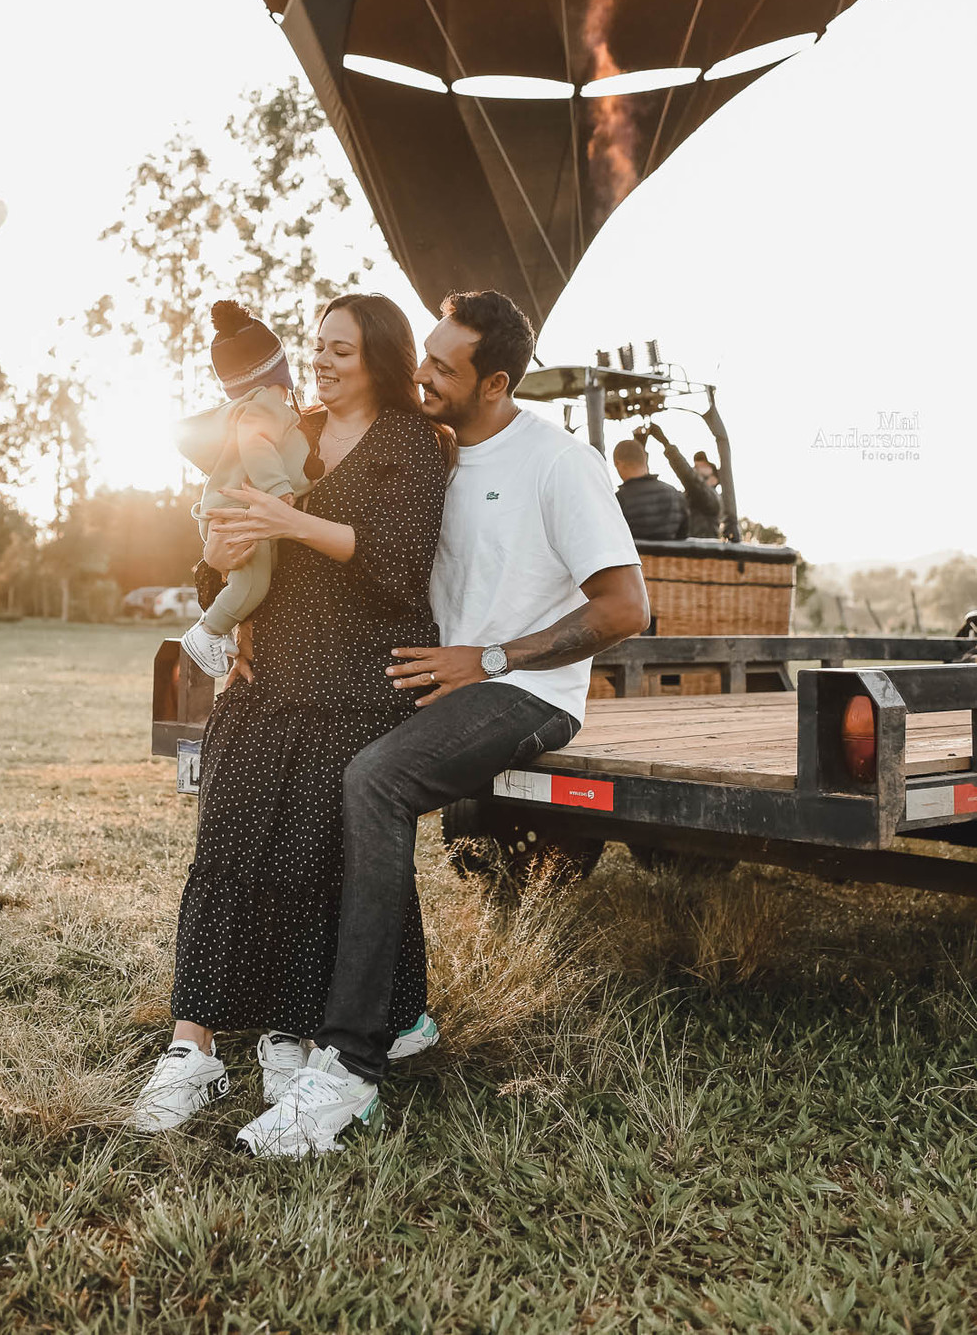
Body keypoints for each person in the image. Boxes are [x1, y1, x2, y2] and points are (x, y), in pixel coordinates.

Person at [234, 289, 649, 1159]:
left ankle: (348, 1067)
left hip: (525, 691)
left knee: (373, 778)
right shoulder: (435, 452)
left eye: (441, 367)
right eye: (421, 354)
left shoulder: (558, 463)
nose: (419, 373)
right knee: (338, 762)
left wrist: (490, 657)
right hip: (439, 679)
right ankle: (402, 1013)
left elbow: (625, 607)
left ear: (494, 382)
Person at [131, 293, 454, 1136]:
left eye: (342, 349)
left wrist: (293, 519)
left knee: (317, 861)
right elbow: (222, 533)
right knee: (226, 842)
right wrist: (216, 565)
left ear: (381, 357)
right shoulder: (287, 426)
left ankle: (294, 1029)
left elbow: (397, 563)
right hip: (268, 670)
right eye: (317, 346)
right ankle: (191, 1046)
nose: (324, 360)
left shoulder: (409, 445)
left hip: (357, 678)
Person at [177, 299, 319, 678]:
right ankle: (208, 632)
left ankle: (216, 631)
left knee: (254, 578)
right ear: (280, 376)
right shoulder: (265, 405)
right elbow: (256, 443)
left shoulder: (243, 410)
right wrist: (278, 491)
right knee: (254, 582)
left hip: (228, 511)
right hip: (243, 515)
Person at [639, 423, 722, 540]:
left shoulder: (713, 500)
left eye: (704, 465)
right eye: (694, 466)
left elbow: (690, 479)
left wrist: (665, 442)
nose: (696, 466)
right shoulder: (682, 498)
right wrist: (640, 446)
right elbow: (651, 490)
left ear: (714, 480)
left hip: (699, 555)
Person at [611, 436, 687, 542]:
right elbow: (683, 539)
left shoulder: (618, 501)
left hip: (636, 558)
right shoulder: (674, 494)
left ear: (618, 463)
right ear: (645, 459)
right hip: (670, 558)